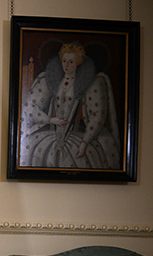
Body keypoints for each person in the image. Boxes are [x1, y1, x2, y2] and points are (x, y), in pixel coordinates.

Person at [19, 41, 121, 169]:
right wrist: (49, 119)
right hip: (51, 134)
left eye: (71, 62)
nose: (66, 65)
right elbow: (31, 107)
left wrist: (85, 142)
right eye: (64, 61)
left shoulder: (91, 83)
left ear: (78, 63)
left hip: (78, 135)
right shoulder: (49, 80)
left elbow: (98, 115)